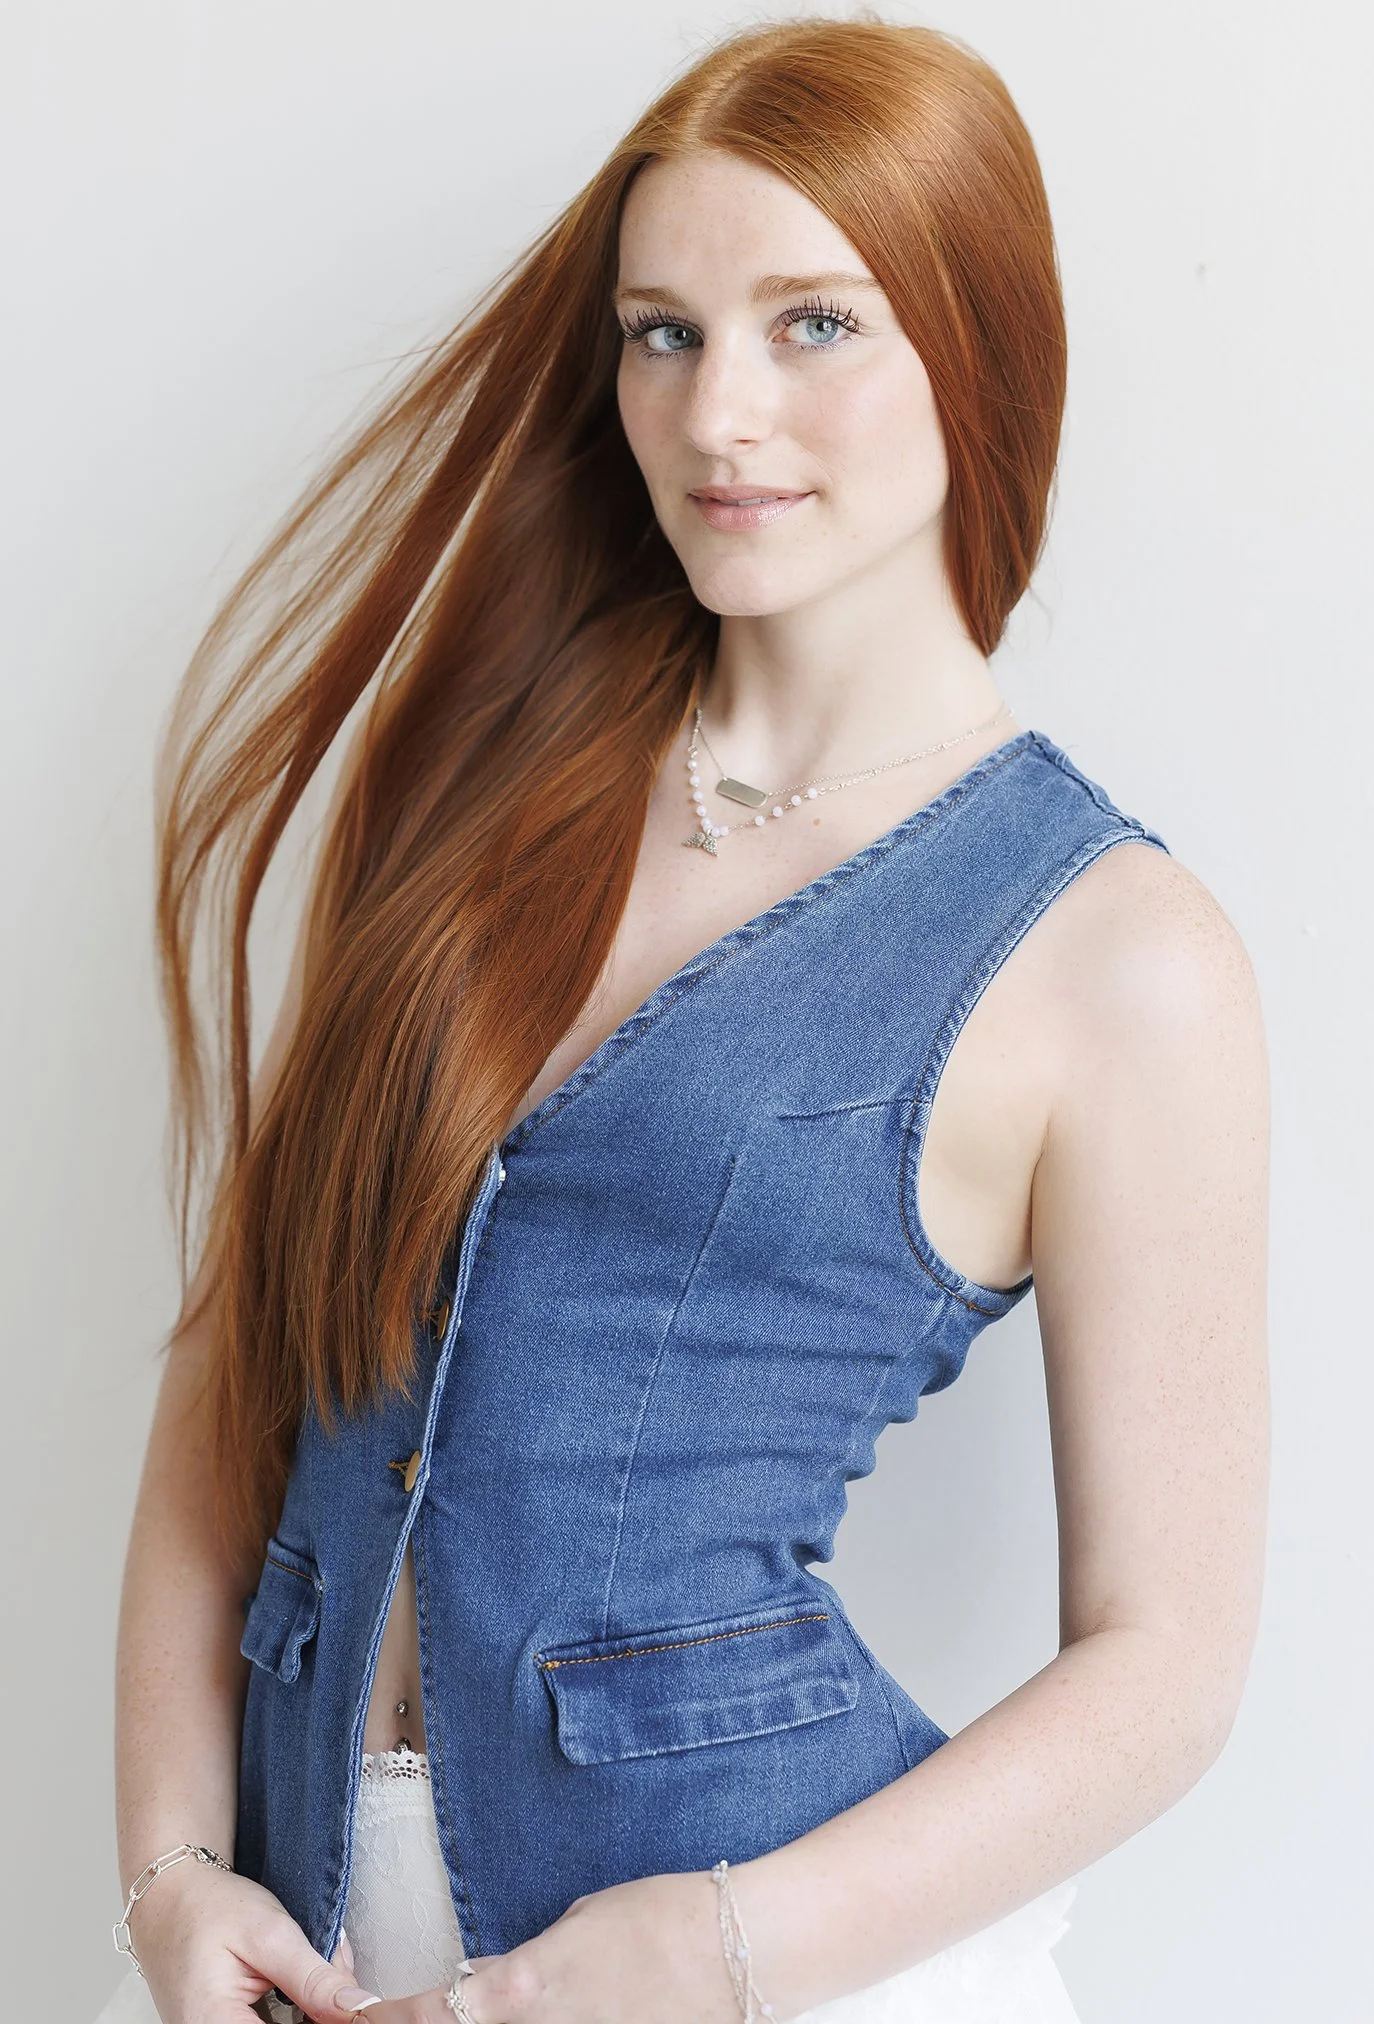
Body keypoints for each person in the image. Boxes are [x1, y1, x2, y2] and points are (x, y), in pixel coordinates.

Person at [96, 16, 1270, 2024]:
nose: (721, 411)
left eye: (816, 324)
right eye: (662, 333)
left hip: (781, 1970)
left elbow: (1162, 1666)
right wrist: (171, 1875)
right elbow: (241, 1375)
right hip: (317, 1958)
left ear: (977, 343)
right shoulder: (473, 796)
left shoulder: (1116, 954)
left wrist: (699, 1960)